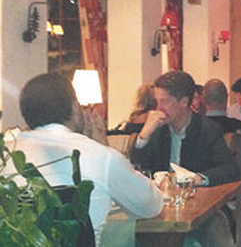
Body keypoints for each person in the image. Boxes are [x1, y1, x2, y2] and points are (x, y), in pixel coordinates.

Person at [5, 74, 163, 243]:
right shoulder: (102, 157)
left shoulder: (6, 154)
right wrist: (103, 146)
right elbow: (150, 206)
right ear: (75, 107)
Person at [130, 70, 240, 187]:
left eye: (164, 102)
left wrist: (198, 178)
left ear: (184, 102)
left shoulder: (207, 129)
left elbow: (230, 169)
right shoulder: (157, 128)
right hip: (160, 196)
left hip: (195, 195)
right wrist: (144, 136)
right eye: (157, 101)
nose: (158, 108)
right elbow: (137, 168)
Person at [204, 78, 241, 196]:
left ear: (203, 99)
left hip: (205, 190)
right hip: (239, 188)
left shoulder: (196, 128)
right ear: (227, 98)